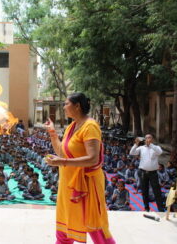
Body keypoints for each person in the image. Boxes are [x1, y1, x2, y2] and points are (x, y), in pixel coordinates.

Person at [45, 93, 115, 244]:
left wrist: (62, 162)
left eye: (66, 104)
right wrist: (52, 133)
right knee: (64, 229)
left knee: (95, 228)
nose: (63, 107)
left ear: (77, 106)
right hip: (68, 183)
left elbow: (93, 158)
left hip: (86, 184)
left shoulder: (90, 126)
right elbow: (62, 152)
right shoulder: (72, 126)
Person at [129, 134, 165, 212]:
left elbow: (160, 152)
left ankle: (160, 209)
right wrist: (136, 144)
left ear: (152, 139)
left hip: (153, 173)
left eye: (149, 138)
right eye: (146, 138)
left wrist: (151, 145)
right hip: (143, 172)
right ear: (144, 140)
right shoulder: (141, 148)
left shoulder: (156, 148)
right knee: (144, 191)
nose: (148, 139)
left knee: (157, 191)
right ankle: (146, 208)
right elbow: (132, 152)